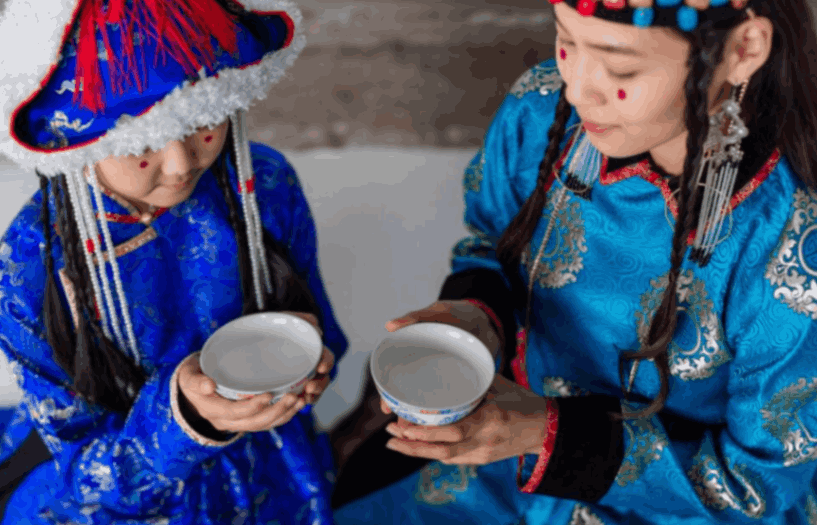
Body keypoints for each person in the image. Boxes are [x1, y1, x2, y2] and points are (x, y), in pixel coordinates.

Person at [332, 0, 817, 523]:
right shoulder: (540, 112)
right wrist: (474, 317)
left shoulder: (791, 247)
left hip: (676, 500)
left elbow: (756, 482)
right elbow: (489, 242)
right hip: (503, 448)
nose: (577, 89)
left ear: (744, 49)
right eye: (566, 44)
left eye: (620, 69)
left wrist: (544, 433)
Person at [0, 1, 348, 523]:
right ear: (75, 140)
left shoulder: (265, 187)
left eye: (203, 119)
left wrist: (307, 359)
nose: (183, 163)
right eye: (141, 141)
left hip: (268, 461)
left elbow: (319, 323)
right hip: (121, 485)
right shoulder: (30, 265)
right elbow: (81, 470)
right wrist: (184, 417)